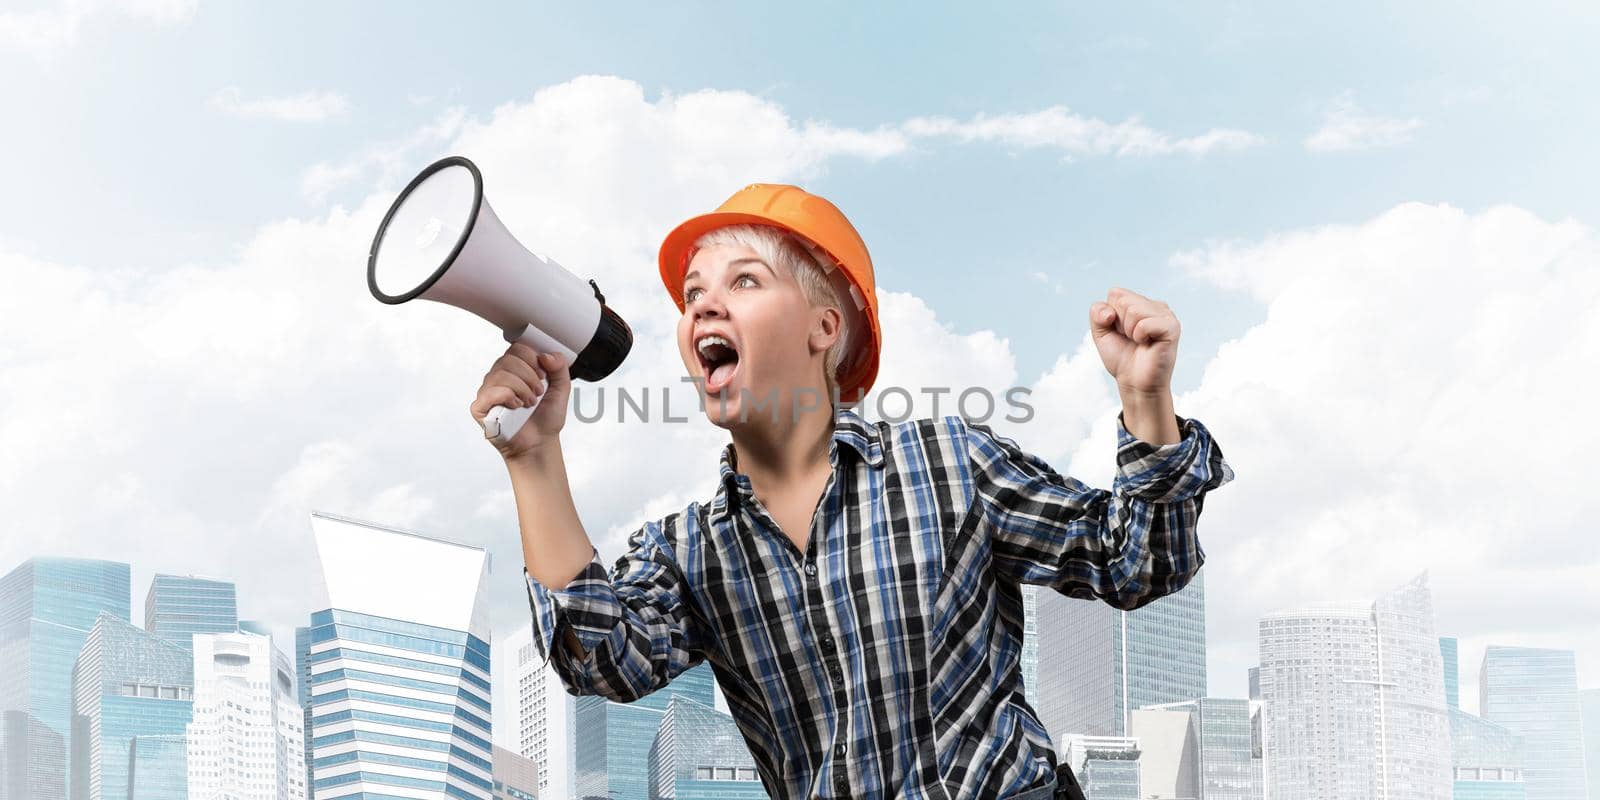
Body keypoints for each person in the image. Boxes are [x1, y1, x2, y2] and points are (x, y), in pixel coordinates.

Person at [471, 184, 1236, 799]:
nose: (702, 303)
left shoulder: (947, 463)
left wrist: (1145, 402)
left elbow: (1138, 563)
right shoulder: (687, 553)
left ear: (824, 327)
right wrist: (533, 459)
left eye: (744, 280)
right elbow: (600, 659)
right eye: (693, 292)